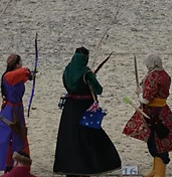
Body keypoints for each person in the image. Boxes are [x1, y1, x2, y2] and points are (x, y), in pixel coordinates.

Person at [52, 47, 121, 176]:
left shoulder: (67, 70)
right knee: (88, 137)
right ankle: (89, 166)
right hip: (84, 108)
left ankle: (68, 168)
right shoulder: (86, 73)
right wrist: (91, 79)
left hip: (70, 108)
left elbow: (69, 86)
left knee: (70, 137)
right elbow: (99, 89)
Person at [123, 54, 172, 177]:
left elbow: (145, 100)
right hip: (164, 112)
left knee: (156, 142)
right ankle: (156, 170)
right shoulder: (165, 75)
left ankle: (159, 173)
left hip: (153, 113)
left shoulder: (153, 76)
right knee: (160, 141)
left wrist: (140, 93)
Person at [0, 54, 33, 172]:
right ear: (17, 64)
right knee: (9, 139)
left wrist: (30, 75)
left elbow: (23, 77)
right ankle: (9, 166)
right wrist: (28, 72)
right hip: (10, 110)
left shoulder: (16, 76)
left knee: (19, 136)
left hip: (17, 109)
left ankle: (18, 164)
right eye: (20, 63)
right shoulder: (9, 76)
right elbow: (22, 73)